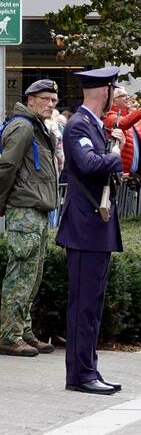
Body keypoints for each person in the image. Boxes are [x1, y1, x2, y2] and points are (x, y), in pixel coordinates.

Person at [55, 66, 126, 395]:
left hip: (94, 227)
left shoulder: (93, 126)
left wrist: (110, 150)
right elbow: (90, 164)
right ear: (104, 92)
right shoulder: (78, 125)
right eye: (114, 90)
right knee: (83, 305)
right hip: (84, 228)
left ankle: (88, 369)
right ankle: (80, 375)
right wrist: (114, 151)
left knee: (92, 304)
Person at [0, 80, 60, 357]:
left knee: (32, 277)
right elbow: (6, 166)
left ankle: (23, 331)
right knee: (20, 275)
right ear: (31, 99)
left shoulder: (34, 126)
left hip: (35, 210)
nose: (51, 104)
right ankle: (8, 335)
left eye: (54, 100)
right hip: (24, 210)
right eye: (46, 99)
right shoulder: (23, 127)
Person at [103, 87, 141, 181]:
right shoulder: (109, 116)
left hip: (138, 176)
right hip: (121, 177)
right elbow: (123, 123)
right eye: (123, 96)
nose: (128, 97)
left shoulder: (133, 116)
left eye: (127, 95)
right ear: (114, 101)